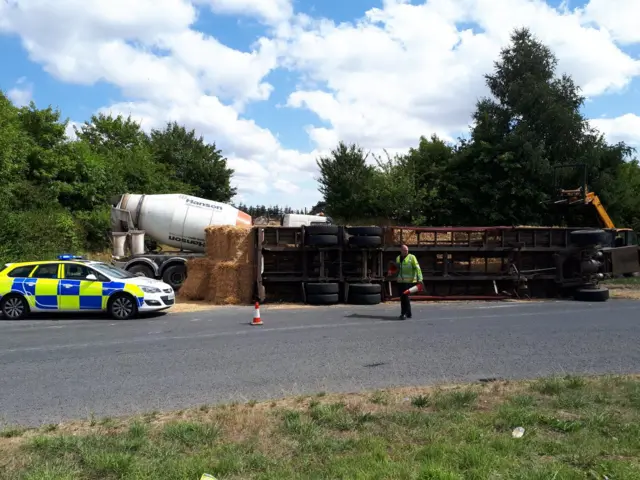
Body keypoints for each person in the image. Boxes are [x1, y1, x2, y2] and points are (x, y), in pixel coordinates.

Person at [395, 244, 423, 320]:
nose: (406, 251)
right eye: (404, 250)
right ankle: (409, 313)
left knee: (404, 295)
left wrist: (420, 278)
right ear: (401, 250)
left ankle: (403, 313)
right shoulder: (398, 258)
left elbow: (418, 268)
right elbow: (396, 269)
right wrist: (391, 272)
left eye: (407, 250)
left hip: (409, 281)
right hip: (400, 281)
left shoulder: (412, 257)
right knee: (403, 297)